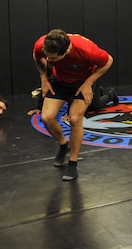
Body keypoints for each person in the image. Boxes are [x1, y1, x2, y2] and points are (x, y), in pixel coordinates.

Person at [33, 29, 113, 181]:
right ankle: (64, 145)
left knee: (75, 119)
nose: (48, 60)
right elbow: (37, 57)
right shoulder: (42, 44)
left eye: (53, 58)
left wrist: (89, 83)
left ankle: (73, 163)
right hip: (60, 80)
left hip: (83, 82)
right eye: (47, 56)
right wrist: (44, 78)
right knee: (47, 117)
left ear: (67, 51)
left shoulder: (87, 50)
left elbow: (109, 60)